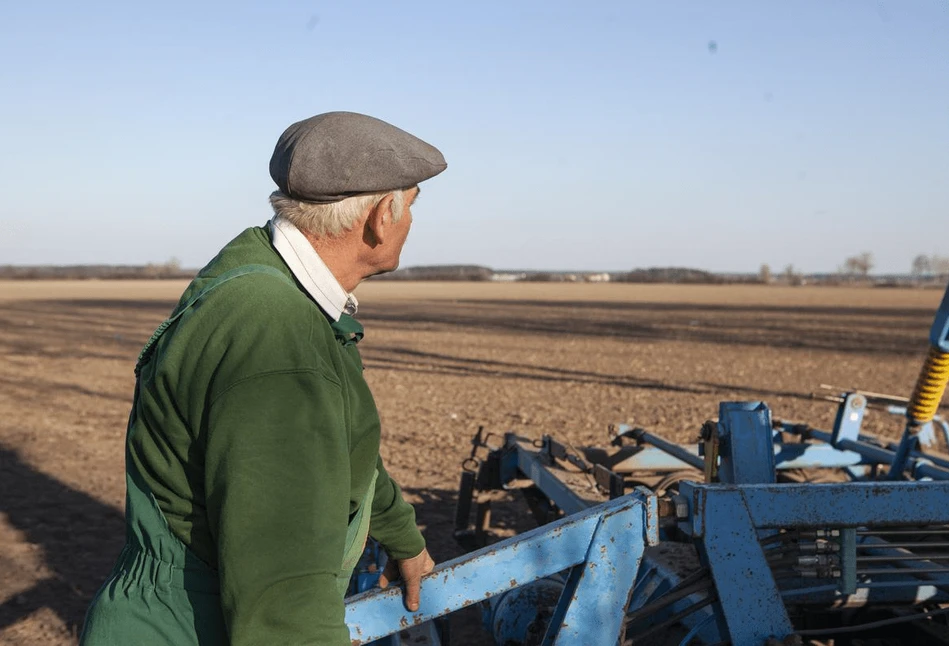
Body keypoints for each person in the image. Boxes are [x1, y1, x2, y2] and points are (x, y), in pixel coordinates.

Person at [80, 111, 447, 645]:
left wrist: (402, 537)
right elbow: (284, 600)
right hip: (190, 628)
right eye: (411, 206)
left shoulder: (262, 273)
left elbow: (341, 449)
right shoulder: (277, 341)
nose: (412, 222)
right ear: (381, 217)